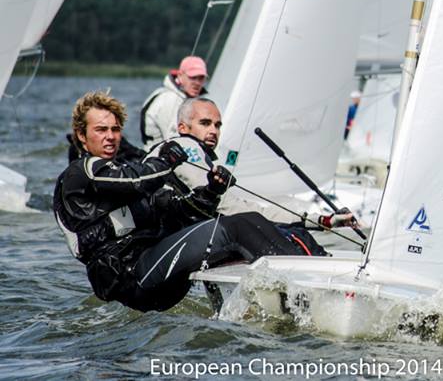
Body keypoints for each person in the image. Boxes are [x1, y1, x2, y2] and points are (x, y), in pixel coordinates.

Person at [53, 91, 348, 313]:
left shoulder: (122, 171)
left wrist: (212, 191)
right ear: (82, 135)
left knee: (251, 224)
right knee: (235, 227)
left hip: (154, 272)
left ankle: (320, 278)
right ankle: (307, 293)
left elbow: (177, 207)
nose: (110, 137)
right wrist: (166, 160)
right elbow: (136, 180)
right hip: (131, 277)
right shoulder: (81, 172)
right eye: (101, 130)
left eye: (115, 130)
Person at [150, 96, 357, 228]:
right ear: (183, 128)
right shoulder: (186, 147)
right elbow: (228, 207)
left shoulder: (196, 152)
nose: (213, 130)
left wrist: (318, 220)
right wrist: (315, 221)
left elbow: (234, 206)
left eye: (217, 125)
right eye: (205, 123)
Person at [140, 55, 209, 150]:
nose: (197, 83)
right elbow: (172, 138)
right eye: (193, 77)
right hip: (158, 155)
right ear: (180, 75)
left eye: (201, 78)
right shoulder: (170, 99)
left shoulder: (178, 97)